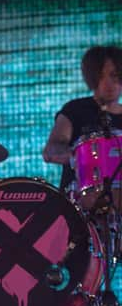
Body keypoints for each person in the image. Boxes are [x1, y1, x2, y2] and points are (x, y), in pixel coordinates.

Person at [43, 46, 122, 209]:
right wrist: (76, 157)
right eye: (101, 76)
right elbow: (53, 147)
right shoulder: (75, 110)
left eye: (114, 75)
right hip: (79, 209)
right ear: (91, 78)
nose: (109, 83)